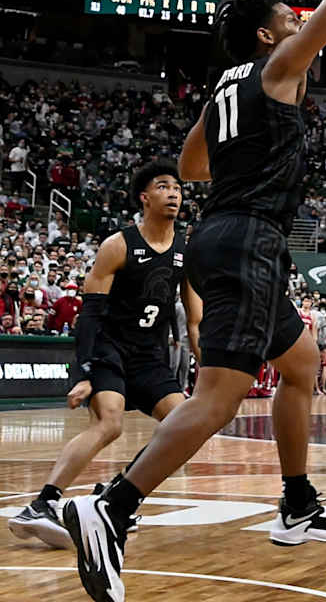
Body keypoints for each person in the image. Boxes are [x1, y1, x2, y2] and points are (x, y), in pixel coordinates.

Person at [63, 0, 326, 602]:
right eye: (287, 18)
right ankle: (110, 508)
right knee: (216, 400)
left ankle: (298, 503)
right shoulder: (275, 69)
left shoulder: (227, 82)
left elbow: (190, 166)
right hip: (248, 240)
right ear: (273, 36)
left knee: (301, 365)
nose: (299, 23)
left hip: (228, 235)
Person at [9, 161, 201, 549]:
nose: (175, 193)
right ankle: (42, 503)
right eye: (164, 186)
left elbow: (194, 321)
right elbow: (91, 314)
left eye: (178, 188)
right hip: (112, 350)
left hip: (151, 358)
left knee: (185, 428)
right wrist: (84, 372)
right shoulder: (119, 245)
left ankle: (115, 497)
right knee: (109, 424)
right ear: (145, 198)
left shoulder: (187, 250)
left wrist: (211, 366)